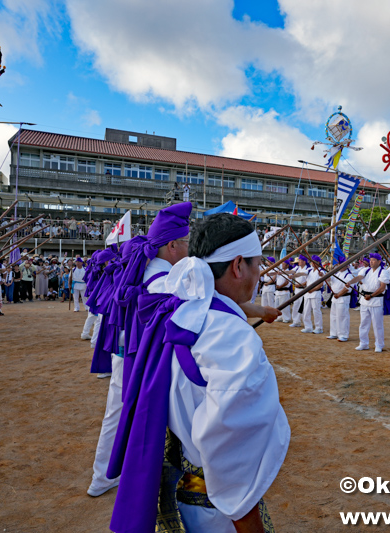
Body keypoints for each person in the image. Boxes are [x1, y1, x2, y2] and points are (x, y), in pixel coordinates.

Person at [109, 212, 288, 532]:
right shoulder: (235, 343)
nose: (259, 273)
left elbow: (206, 295)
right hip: (216, 505)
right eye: (257, 264)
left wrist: (258, 310)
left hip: (183, 485)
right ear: (237, 266)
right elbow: (232, 457)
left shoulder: (178, 309)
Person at [87, 202, 193, 499]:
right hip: (138, 356)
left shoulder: (145, 266)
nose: (189, 250)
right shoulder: (161, 277)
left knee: (117, 411)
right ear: (172, 245)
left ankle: (102, 475)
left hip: (127, 349)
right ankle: (111, 475)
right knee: (144, 412)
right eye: (186, 243)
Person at [348, 253, 390, 353]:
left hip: (376, 300)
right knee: (363, 323)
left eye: (373, 260)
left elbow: (382, 288)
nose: (371, 262)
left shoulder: (383, 272)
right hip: (365, 299)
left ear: (379, 262)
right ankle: (363, 343)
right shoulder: (365, 270)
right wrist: (350, 282)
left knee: (377, 324)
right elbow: (359, 277)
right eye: (370, 260)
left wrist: (372, 295)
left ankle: (379, 344)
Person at [327, 251, 354, 342]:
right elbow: (329, 279)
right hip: (335, 297)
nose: (339, 266)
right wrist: (324, 275)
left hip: (343, 297)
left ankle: (343, 335)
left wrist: (339, 294)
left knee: (342, 316)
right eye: (339, 264)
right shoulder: (337, 273)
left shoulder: (348, 275)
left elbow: (347, 288)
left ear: (346, 266)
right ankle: (333, 333)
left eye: (341, 264)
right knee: (333, 315)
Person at [301, 255, 325, 334]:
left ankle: (319, 328)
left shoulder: (321, 271)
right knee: (306, 310)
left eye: (313, 261)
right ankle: (308, 327)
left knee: (316, 310)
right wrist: (293, 275)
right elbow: (301, 274)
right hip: (308, 294)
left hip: (316, 293)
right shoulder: (309, 270)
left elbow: (321, 284)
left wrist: (312, 289)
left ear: (317, 262)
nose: (311, 263)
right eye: (311, 261)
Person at [288, 255, 309, 329]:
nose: (298, 262)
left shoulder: (308, 269)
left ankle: (305, 323)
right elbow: (291, 271)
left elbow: (307, 280)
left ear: (304, 262)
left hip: (303, 290)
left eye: (300, 261)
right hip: (297, 290)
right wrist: (283, 272)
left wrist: (294, 277)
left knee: (302, 307)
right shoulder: (297, 267)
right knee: (295, 306)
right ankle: (296, 322)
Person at [273, 259, 293, 323]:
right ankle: (279, 317)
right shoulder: (280, 272)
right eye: (282, 264)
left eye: (284, 264)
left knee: (284, 306)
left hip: (284, 291)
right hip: (278, 292)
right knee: (277, 305)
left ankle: (286, 318)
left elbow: (287, 282)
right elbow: (277, 280)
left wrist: (280, 286)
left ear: (287, 266)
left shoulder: (289, 272)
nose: (282, 265)